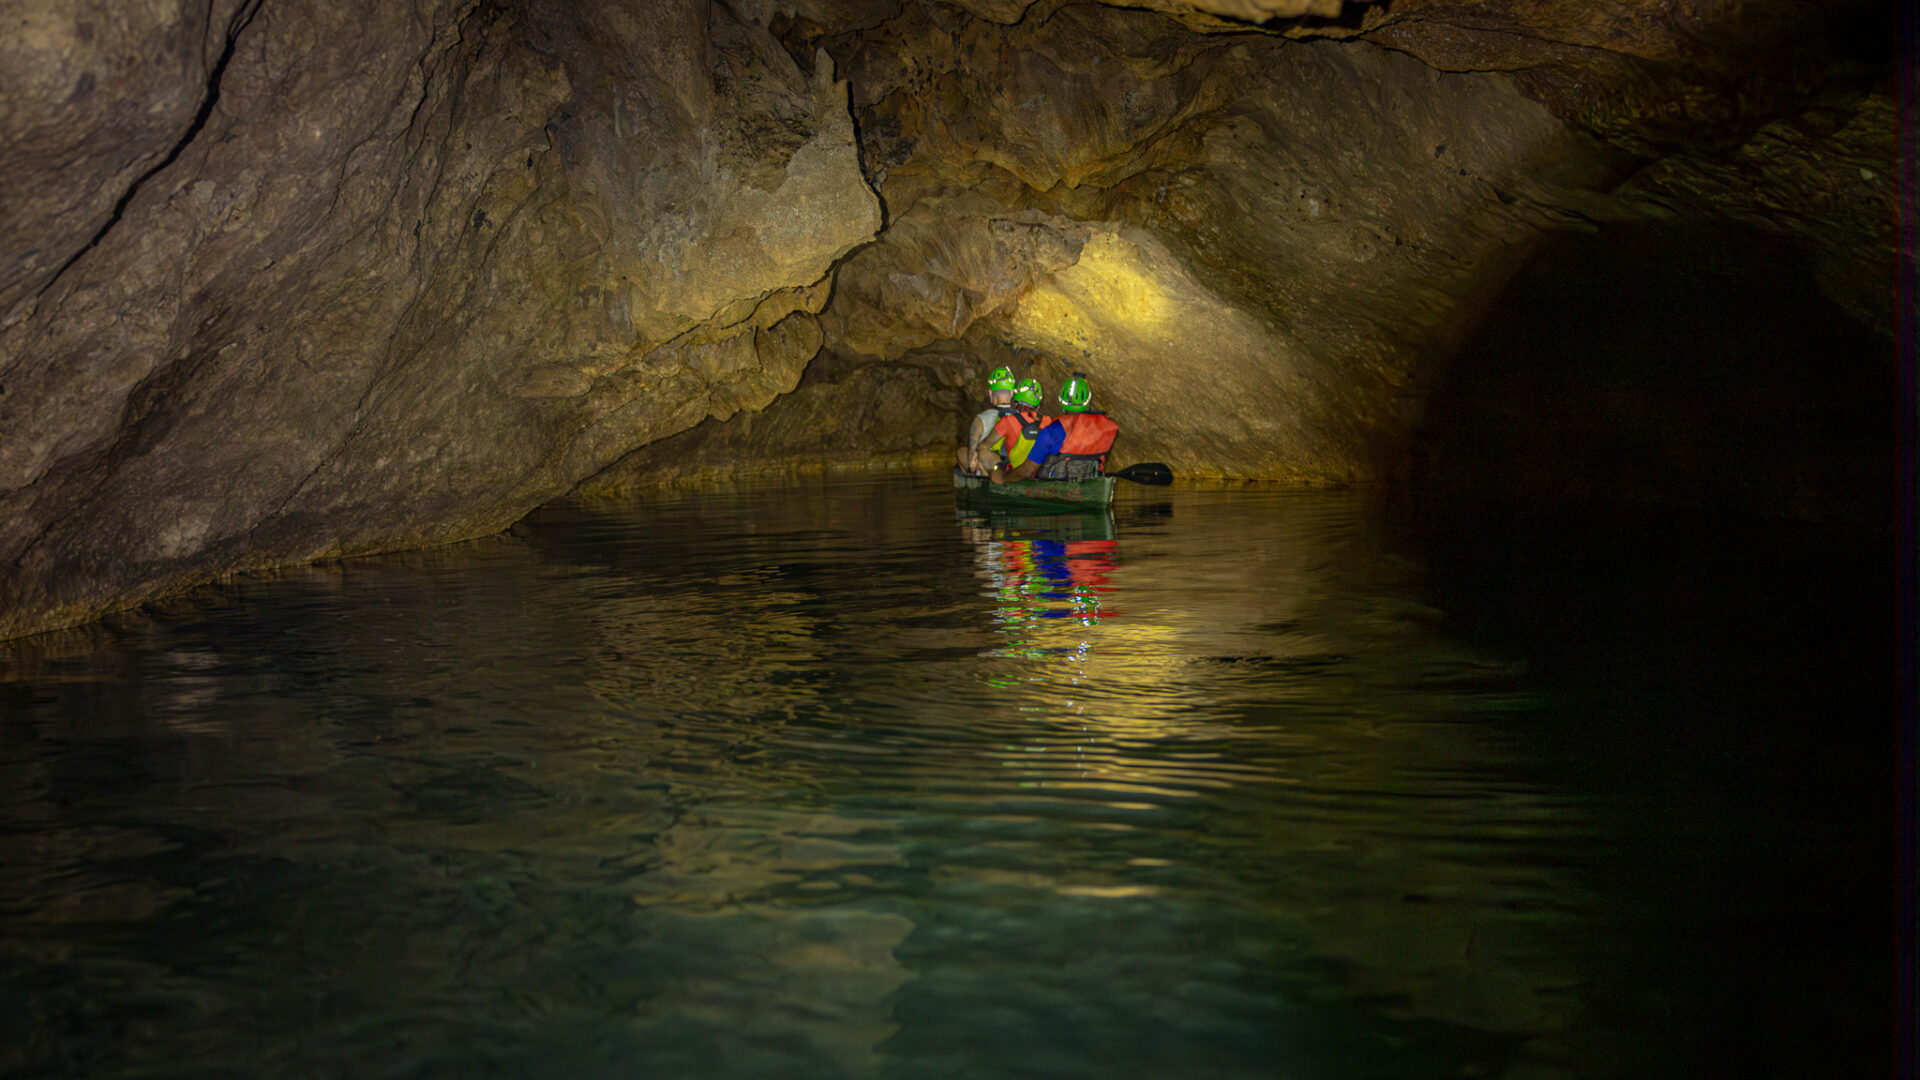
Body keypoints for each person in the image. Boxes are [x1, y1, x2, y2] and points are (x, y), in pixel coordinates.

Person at [1032, 371, 1118, 480]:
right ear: (1088, 402)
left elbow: (1028, 470)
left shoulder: (1052, 431)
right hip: (1089, 481)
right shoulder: (1104, 428)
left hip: (1055, 484)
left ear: (1061, 402)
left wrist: (1007, 479)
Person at [989, 378, 1065, 484]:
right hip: (1039, 472)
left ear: (1015, 401)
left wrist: (997, 468)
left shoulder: (1007, 421)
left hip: (1012, 472)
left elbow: (990, 448)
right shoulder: (1048, 421)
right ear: (1038, 406)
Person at [957, 366, 1019, 475]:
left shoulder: (980, 420)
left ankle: (981, 477)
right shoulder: (1022, 417)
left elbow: (972, 455)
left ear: (990, 392)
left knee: (961, 452)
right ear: (1012, 393)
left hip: (991, 468)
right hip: (1016, 466)